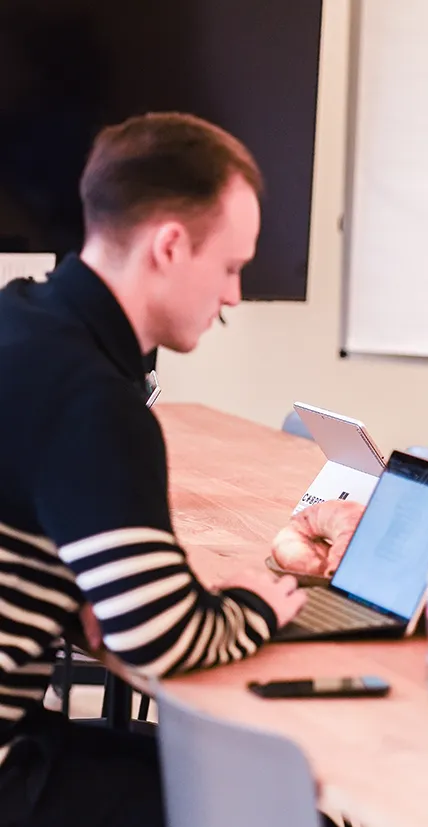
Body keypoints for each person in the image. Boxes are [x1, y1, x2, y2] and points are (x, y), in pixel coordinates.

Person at [0, 112, 306, 826]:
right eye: (230, 267)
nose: (233, 296)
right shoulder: (94, 400)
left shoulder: (20, 322)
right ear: (169, 245)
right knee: (276, 809)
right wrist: (259, 602)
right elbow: (155, 636)